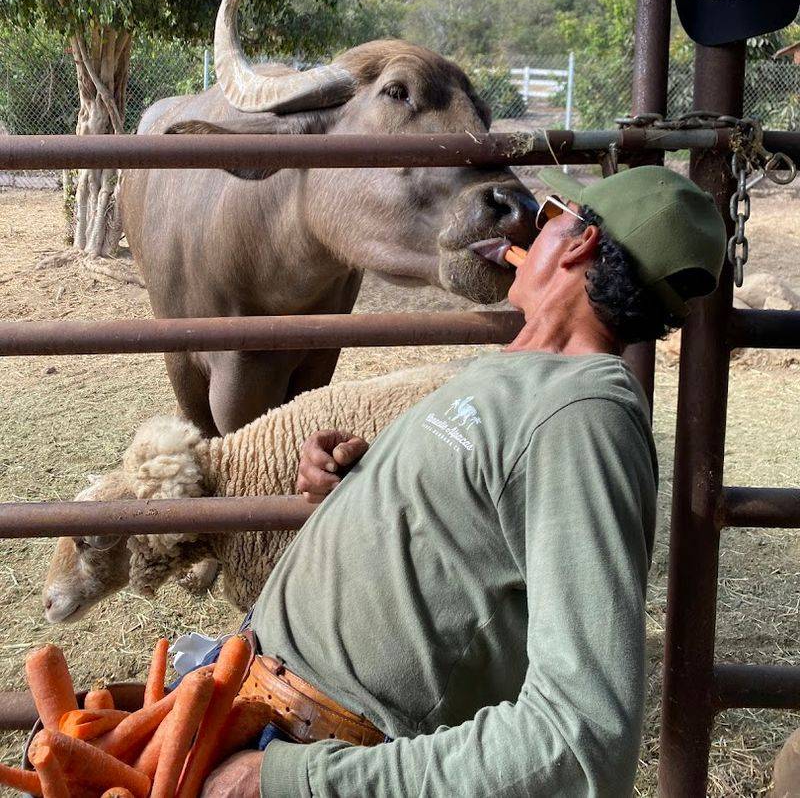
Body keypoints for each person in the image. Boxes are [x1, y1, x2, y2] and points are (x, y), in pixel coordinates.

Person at [200, 165, 727, 798]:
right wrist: (354, 490)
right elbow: (470, 539)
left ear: (580, 242)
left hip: (308, 754)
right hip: (245, 700)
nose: (528, 231)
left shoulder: (583, 419)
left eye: (548, 214)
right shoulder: (526, 375)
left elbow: (582, 739)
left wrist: (291, 782)